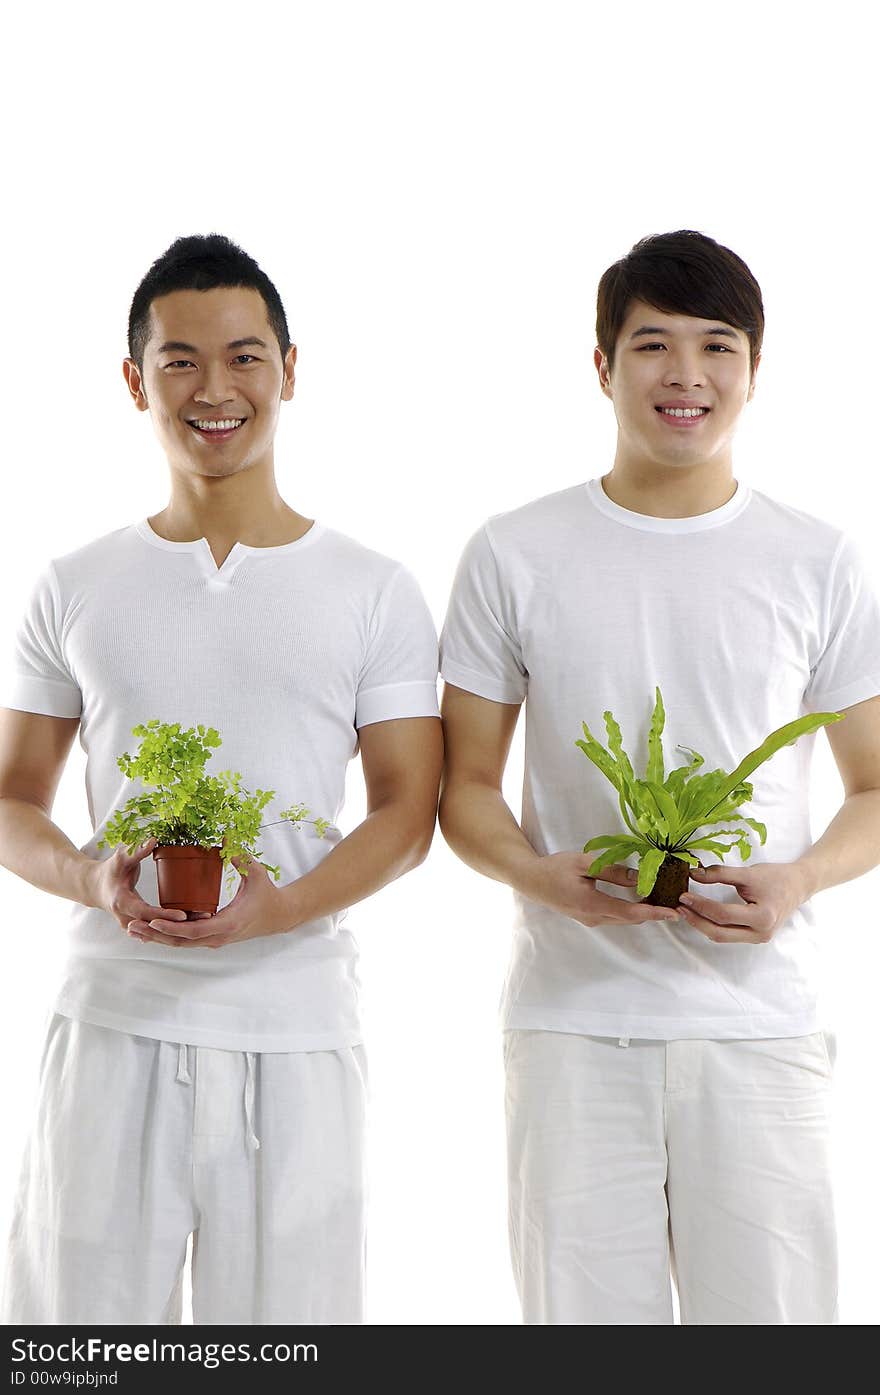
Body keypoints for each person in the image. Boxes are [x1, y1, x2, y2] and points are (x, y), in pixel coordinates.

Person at [438, 229, 880, 1325]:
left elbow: (873, 789)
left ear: (753, 370)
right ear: (602, 367)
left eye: (715, 347)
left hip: (762, 1026)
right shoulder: (513, 550)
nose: (685, 376)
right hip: (573, 1023)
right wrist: (547, 880)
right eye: (652, 346)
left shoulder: (816, 558)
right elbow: (463, 789)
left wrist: (802, 879)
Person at [0, 233, 442, 1325]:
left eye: (245, 358)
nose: (214, 389)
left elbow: (405, 812)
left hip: (294, 1032)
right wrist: (92, 878)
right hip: (111, 1024)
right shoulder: (76, 584)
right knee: (77, 1343)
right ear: (135, 379)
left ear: (290, 370)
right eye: (180, 361)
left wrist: (282, 905)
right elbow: (13, 800)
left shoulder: (373, 590)